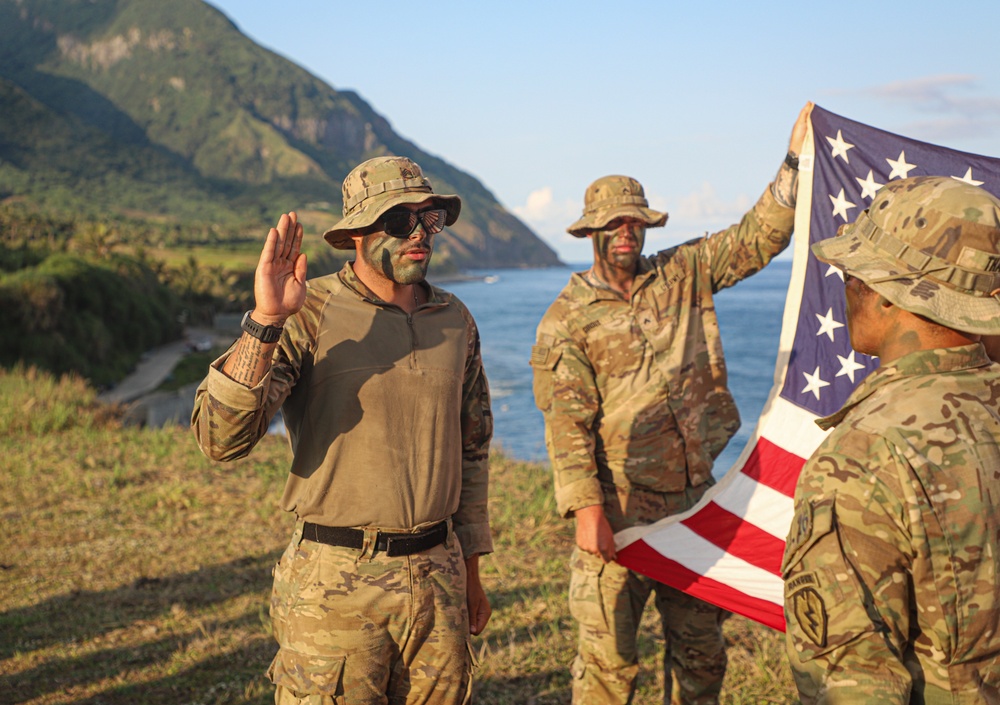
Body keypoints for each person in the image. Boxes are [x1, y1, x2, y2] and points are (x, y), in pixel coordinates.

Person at [530, 103, 812, 705]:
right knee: (610, 667)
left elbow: (756, 237)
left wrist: (793, 161)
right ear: (590, 233)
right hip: (619, 511)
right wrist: (587, 511)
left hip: (691, 503)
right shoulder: (566, 320)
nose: (625, 232)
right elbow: (567, 425)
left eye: (634, 222)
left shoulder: (683, 272)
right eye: (613, 224)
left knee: (702, 657)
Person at [191, 155, 494, 704]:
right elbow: (220, 440)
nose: (419, 235)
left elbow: (472, 450)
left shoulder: (455, 319)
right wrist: (266, 322)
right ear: (356, 234)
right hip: (334, 584)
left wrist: (470, 571)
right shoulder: (308, 313)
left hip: (438, 576)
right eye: (400, 222)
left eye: (429, 220)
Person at [782, 175, 1000, 703]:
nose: (847, 286)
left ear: (882, 294)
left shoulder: (863, 456)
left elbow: (852, 681)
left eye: (854, 273)